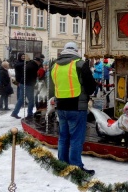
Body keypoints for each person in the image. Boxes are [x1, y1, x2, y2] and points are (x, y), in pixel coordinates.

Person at [49, 42, 96, 175]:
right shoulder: (80, 64)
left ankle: (62, 164)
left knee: (63, 136)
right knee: (76, 137)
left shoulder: (54, 65)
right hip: (77, 106)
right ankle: (75, 166)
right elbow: (91, 86)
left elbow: (52, 86)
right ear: (76, 51)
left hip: (61, 106)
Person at [11, 53, 26, 119]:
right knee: (20, 94)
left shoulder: (25, 63)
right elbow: (17, 65)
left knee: (22, 95)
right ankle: (20, 102)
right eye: (22, 56)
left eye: (24, 56)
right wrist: (25, 62)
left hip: (24, 80)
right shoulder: (17, 62)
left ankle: (22, 101)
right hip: (19, 80)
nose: (23, 57)